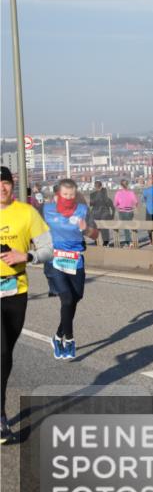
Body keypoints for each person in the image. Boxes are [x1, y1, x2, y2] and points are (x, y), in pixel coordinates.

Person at [1, 166, 54, 443]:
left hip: (16, 289)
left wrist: (28, 255)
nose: (2, 188)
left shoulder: (27, 213)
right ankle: (0, 417)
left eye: (6, 183)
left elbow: (48, 249)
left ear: (12, 185)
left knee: (6, 353)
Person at [42, 178, 99, 361]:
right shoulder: (47, 210)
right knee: (66, 298)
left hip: (76, 261)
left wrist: (86, 228)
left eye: (72, 195)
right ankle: (69, 340)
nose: (68, 197)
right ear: (58, 194)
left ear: (76, 195)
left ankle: (58, 336)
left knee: (74, 299)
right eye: (65, 194)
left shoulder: (82, 211)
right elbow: (30, 225)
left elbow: (95, 234)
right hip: (56, 260)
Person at [113, 179, 138, 248]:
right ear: (127, 184)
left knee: (126, 228)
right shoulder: (131, 192)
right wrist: (133, 206)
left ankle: (129, 242)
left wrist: (119, 205)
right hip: (130, 211)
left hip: (122, 211)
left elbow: (115, 203)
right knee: (130, 226)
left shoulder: (118, 193)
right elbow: (136, 202)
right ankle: (132, 241)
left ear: (121, 185)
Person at [89, 180, 115, 245]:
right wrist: (112, 216)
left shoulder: (92, 195)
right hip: (104, 214)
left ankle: (96, 242)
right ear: (101, 186)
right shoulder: (105, 195)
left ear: (95, 186)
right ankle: (105, 243)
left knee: (96, 229)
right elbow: (112, 207)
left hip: (95, 214)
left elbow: (91, 204)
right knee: (104, 230)